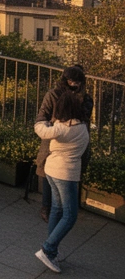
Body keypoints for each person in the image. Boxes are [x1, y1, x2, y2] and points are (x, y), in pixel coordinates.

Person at [34, 90, 90, 274]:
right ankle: (48, 249)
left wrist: (43, 119)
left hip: (51, 170)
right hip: (66, 174)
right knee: (70, 215)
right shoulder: (79, 127)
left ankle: (51, 249)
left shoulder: (59, 126)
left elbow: (40, 129)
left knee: (57, 209)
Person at [35, 65, 93, 223]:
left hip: (75, 136)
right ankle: (47, 207)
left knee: (72, 170)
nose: (74, 84)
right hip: (55, 136)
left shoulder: (86, 98)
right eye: (71, 80)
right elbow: (42, 116)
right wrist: (55, 125)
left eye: (77, 81)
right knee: (48, 169)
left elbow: (85, 117)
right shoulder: (53, 94)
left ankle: (63, 207)